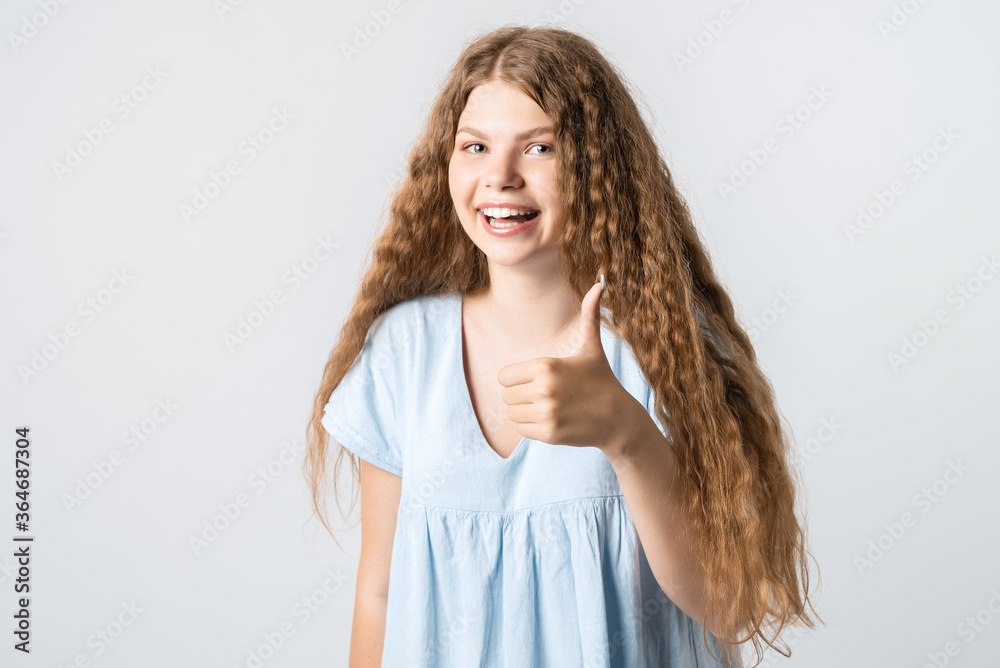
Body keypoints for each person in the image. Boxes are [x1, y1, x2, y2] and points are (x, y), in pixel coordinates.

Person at [304, 24, 821, 668]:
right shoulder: (403, 351)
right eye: (475, 147)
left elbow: (729, 606)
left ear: (597, 167)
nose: (500, 176)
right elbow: (379, 592)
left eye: (540, 147)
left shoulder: (665, 348)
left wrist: (626, 433)